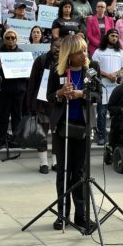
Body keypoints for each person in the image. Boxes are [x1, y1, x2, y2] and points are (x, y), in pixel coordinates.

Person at [46, 34, 98, 229]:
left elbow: (98, 96)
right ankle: (62, 215)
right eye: (80, 51)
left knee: (80, 173)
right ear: (69, 54)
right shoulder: (56, 72)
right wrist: (60, 94)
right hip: (63, 128)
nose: (85, 54)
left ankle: (82, 216)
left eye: (85, 50)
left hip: (83, 128)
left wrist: (82, 94)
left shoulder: (91, 70)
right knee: (63, 172)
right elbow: (49, 97)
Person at [27, 37, 61, 173]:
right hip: (42, 104)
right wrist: (30, 104)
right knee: (42, 134)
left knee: (57, 135)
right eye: (55, 46)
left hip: (58, 104)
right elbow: (32, 84)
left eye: (60, 47)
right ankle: (43, 163)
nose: (58, 49)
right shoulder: (40, 61)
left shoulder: (66, 61)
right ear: (50, 46)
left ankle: (55, 162)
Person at [0, 30, 27, 149]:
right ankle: (0, 141)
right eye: (8, 38)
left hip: (18, 90)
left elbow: (27, 72)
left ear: (16, 39)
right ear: (4, 39)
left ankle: (17, 140)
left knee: (17, 116)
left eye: (13, 37)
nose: (10, 40)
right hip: (3, 91)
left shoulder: (21, 53)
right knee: (3, 117)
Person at [92, 28, 123, 145]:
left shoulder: (121, 52)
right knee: (102, 112)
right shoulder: (98, 51)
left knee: (116, 112)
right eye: (112, 36)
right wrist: (107, 75)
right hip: (102, 85)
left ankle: (115, 134)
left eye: (116, 37)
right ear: (107, 36)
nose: (115, 38)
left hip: (116, 86)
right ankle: (102, 135)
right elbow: (93, 68)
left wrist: (116, 74)